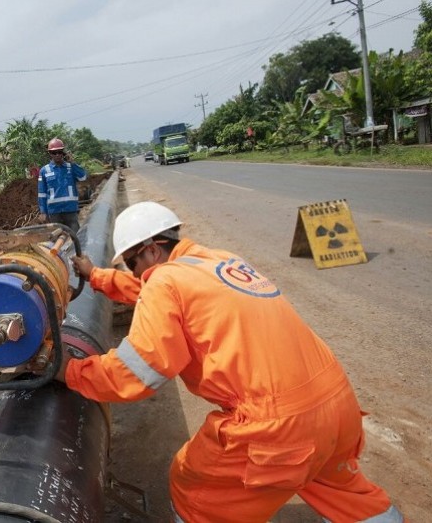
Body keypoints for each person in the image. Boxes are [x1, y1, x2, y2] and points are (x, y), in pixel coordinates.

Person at [62, 201, 405, 522]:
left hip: (278, 429)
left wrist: (72, 371)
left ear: (152, 249)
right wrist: (96, 276)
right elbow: (147, 289)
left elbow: (140, 371)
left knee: (194, 489)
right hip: (337, 407)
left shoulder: (165, 281)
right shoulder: (216, 261)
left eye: (131, 264)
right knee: (340, 489)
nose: (134, 273)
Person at [37, 137, 87, 234]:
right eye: (54, 153)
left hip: (70, 209)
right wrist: (43, 212)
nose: (57, 155)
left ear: (63, 152)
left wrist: (73, 163)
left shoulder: (70, 167)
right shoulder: (44, 170)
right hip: (54, 211)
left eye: (60, 152)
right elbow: (42, 193)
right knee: (57, 239)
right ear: (50, 154)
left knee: (76, 236)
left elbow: (83, 177)